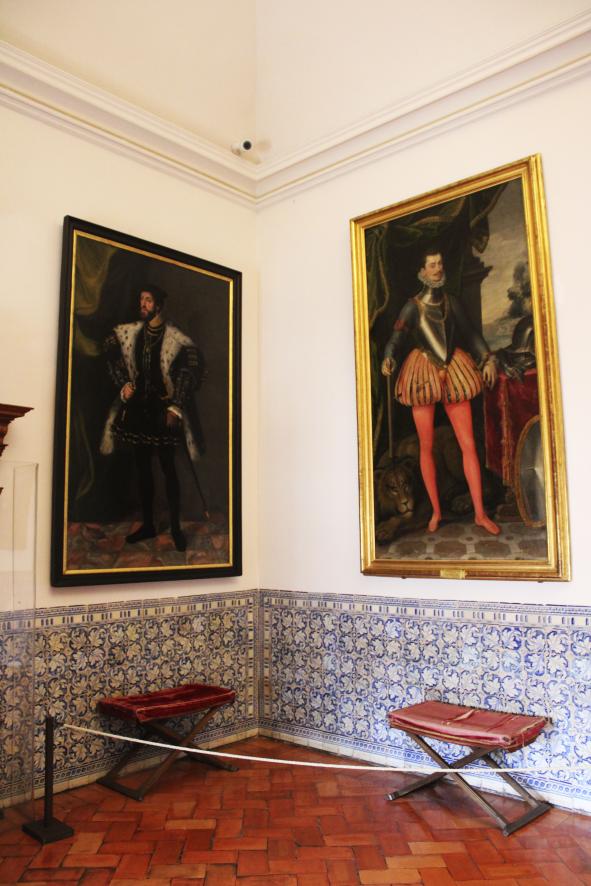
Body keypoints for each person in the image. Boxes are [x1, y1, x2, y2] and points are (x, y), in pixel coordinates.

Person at [381, 249, 500, 535]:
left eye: (440, 264)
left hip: (454, 368)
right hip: (422, 372)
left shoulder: (452, 302)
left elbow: (471, 334)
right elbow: (396, 338)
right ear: (422, 272)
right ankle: (435, 512)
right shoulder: (412, 307)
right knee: (426, 446)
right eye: (432, 265)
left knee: (467, 444)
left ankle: (480, 513)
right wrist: (389, 356)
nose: (437, 269)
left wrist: (487, 358)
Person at [100, 285, 204, 551]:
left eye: (148, 300)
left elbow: (188, 372)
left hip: (163, 410)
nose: (143, 304)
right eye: (141, 300)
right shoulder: (131, 333)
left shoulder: (175, 339)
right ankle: (148, 524)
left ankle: (176, 528)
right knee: (143, 469)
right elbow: (110, 350)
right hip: (138, 409)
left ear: (158, 305)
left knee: (168, 470)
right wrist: (123, 384)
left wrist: (175, 407)